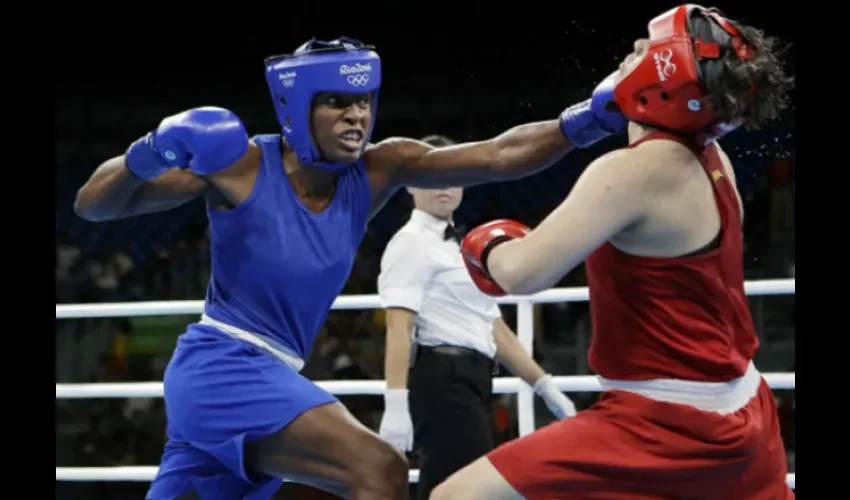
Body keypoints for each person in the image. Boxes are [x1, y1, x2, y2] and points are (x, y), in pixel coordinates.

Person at [73, 36, 627, 500]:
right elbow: (93, 204)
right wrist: (152, 150)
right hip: (222, 367)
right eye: (337, 101)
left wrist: (589, 120)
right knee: (379, 469)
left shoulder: (380, 169)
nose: (356, 115)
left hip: (270, 371)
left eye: (363, 100)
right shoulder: (240, 164)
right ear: (299, 108)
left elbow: (498, 156)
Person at [433, 5, 795, 500]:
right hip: (744, 407)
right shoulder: (713, 160)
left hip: (666, 423)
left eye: (647, 49)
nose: (633, 53)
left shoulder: (632, 172)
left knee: (455, 497)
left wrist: (485, 242)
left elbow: (518, 274)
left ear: (663, 81)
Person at [377, 134, 576, 499]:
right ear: (409, 185)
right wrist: (394, 402)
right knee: (469, 488)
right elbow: (399, 327)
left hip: (473, 381)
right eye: (433, 178)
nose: (445, 186)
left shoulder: (464, 247)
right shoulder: (410, 243)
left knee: (447, 487)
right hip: (441, 380)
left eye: (453, 177)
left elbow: (492, 326)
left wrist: (544, 385)